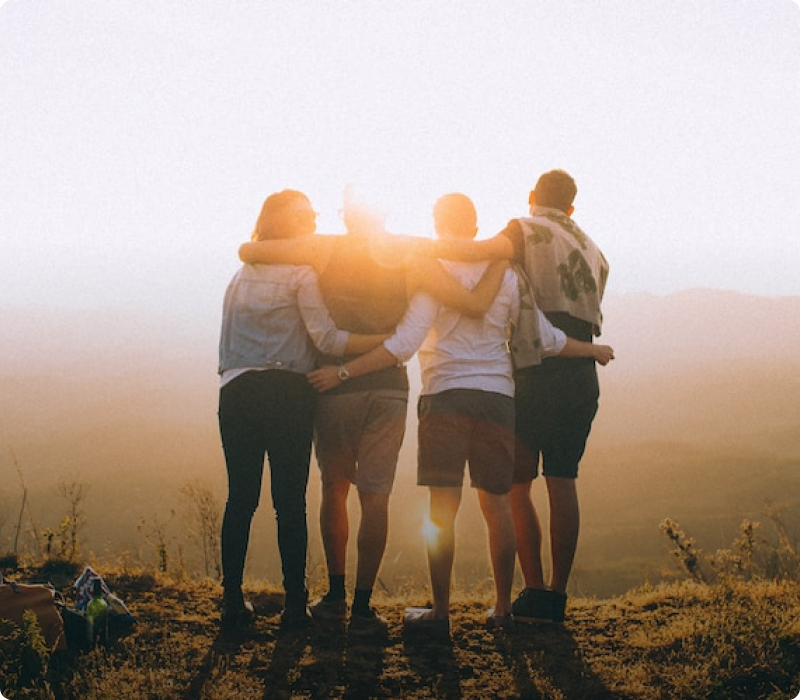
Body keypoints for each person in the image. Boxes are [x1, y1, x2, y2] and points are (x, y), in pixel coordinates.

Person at [308, 192, 613, 635]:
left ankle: (440, 613)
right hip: (497, 398)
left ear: (437, 224)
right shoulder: (508, 274)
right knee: (498, 505)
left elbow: (404, 344)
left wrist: (344, 372)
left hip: (444, 397)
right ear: (474, 227)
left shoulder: (432, 272)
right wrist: (592, 350)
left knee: (441, 510)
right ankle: (503, 609)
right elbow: (545, 338)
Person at [238, 188, 507, 636]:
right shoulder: (409, 252)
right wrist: (501, 253)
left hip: (333, 386)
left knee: (334, 488)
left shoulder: (324, 248)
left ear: (347, 216)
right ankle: (363, 608)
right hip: (388, 388)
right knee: (375, 497)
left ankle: (335, 597)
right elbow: (468, 298)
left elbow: (252, 251)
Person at [416, 170, 611, 624]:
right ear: (572, 207)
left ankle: (532, 590)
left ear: (531, 197)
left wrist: (409, 249)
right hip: (580, 372)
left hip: (534, 369)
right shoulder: (594, 249)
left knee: (516, 488)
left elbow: (476, 252)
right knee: (563, 481)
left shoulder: (523, 230)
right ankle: (556, 597)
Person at [217, 189, 388, 633]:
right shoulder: (301, 273)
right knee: (289, 502)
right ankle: (294, 606)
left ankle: (231, 601)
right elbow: (327, 339)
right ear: (283, 223)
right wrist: (384, 342)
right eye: (304, 215)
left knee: (241, 498)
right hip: (288, 393)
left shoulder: (240, 275)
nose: (313, 220)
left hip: (236, 391)